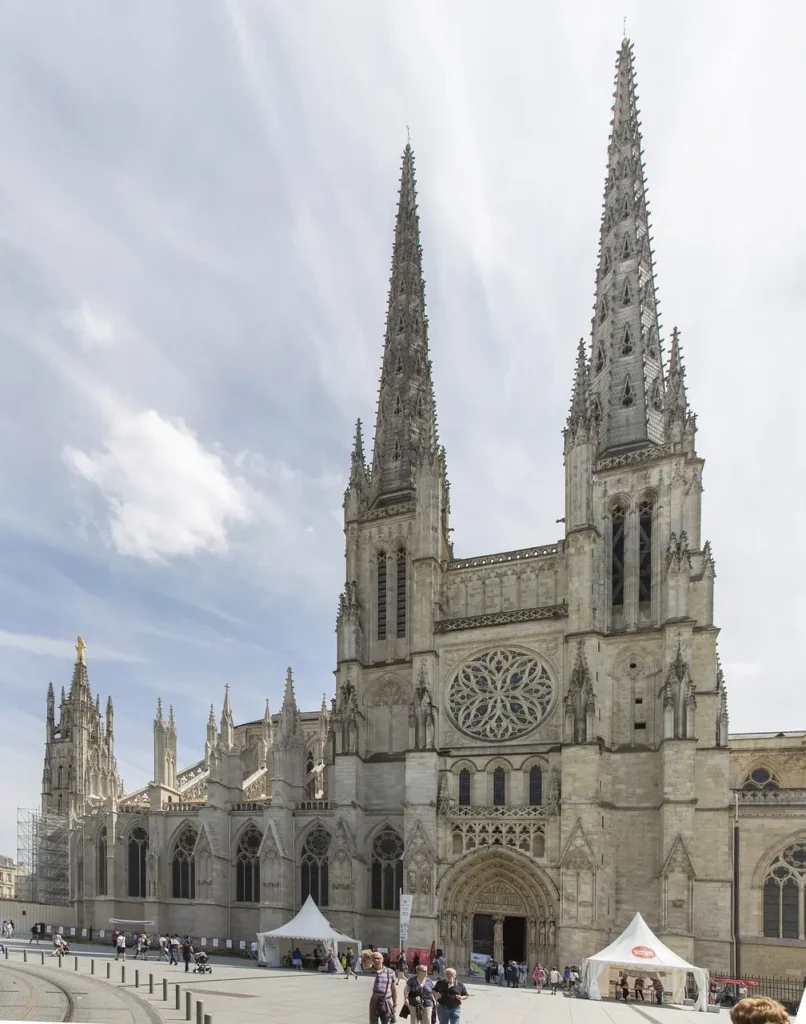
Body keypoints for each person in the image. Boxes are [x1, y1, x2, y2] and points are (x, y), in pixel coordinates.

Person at [368, 949, 398, 1024]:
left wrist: (395, 1004)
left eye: (378, 958)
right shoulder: (367, 971)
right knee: (373, 1021)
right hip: (374, 1001)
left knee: (386, 1022)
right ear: (371, 960)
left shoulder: (390, 972)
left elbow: (394, 989)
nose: (376, 960)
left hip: (386, 1001)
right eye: (374, 958)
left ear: (382, 960)